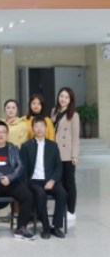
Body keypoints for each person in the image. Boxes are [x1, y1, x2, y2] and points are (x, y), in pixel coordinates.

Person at [0, 121, 34, 241]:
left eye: (3, 132)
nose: (0, 135)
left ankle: (21, 228)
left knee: (28, 195)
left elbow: (20, 166)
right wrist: (0, 177)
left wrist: (10, 178)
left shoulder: (14, 148)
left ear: (7, 134)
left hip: (11, 181)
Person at [20, 116, 67, 239]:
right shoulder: (26, 146)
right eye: (36, 126)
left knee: (62, 193)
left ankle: (56, 226)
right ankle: (46, 227)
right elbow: (23, 168)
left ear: (46, 128)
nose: (39, 128)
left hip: (50, 180)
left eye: (42, 126)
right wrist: (26, 185)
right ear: (32, 128)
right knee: (40, 195)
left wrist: (52, 180)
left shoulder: (53, 145)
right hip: (34, 182)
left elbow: (58, 167)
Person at [51, 87, 80, 221]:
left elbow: (75, 137)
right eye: (61, 96)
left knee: (69, 183)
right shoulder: (54, 111)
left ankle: (71, 210)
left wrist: (75, 155)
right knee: (59, 183)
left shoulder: (74, 115)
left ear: (70, 100)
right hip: (55, 153)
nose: (63, 99)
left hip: (68, 154)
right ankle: (61, 209)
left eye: (66, 97)